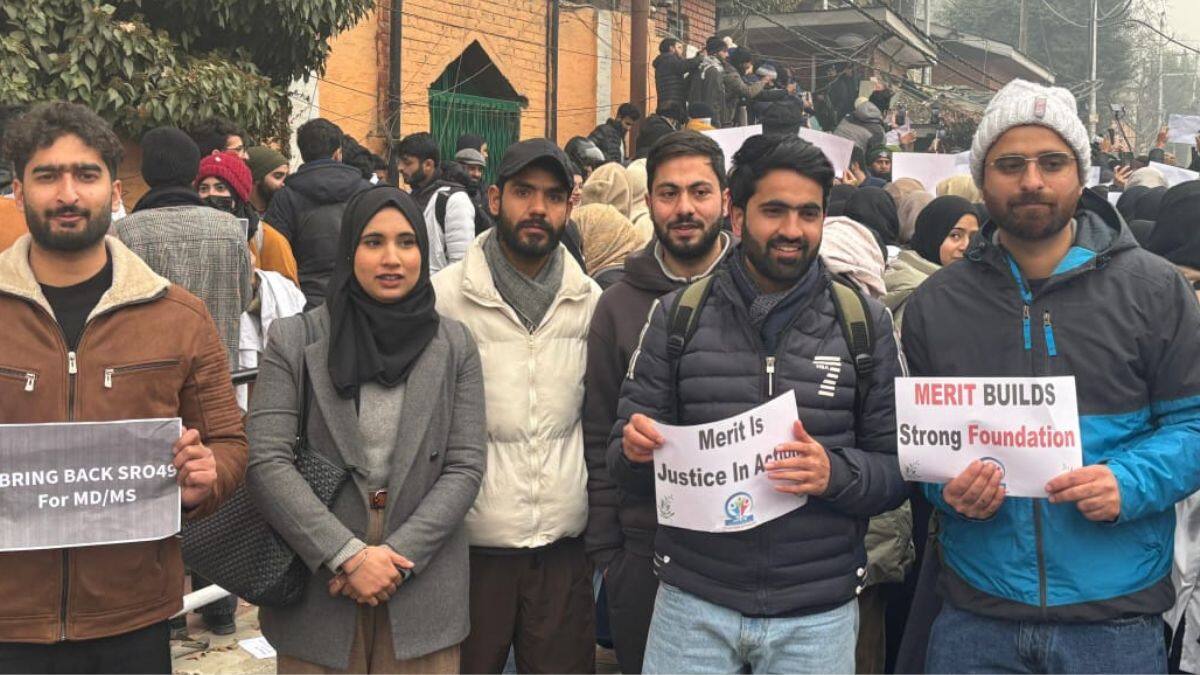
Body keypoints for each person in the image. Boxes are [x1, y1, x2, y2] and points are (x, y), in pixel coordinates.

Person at [902, 79, 1200, 674]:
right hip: (975, 617)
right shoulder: (936, 304)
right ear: (984, 178)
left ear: (1080, 174)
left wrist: (1129, 481)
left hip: (1115, 622)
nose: (1032, 180)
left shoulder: (1154, 287)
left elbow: (1193, 422)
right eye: (1010, 164)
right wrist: (949, 492)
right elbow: (921, 446)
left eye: (1052, 162)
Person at [608, 133, 907, 673]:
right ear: (738, 216)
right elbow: (622, 464)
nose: (792, 230)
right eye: (774, 211)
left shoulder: (865, 325)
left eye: (808, 213)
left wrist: (834, 473)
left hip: (816, 615)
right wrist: (633, 451)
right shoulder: (678, 317)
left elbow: (898, 471)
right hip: (692, 605)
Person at [0, 100, 246, 672]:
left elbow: (231, 443)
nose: (67, 194)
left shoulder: (179, 317)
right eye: (47, 176)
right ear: (17, 190)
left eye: (86, 175)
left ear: (114, 191)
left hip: (131, 619)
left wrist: (205, 478)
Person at [246, 185, 486, 673]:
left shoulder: (454, 344)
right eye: (373, 242)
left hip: (422, 581)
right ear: (349, 248)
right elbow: (266, 460)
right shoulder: (296, 340)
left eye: (406, 242)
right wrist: (348, 557)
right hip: (321, 582)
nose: (391, 258)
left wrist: (396, 557)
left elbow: (464, 466)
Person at [432, 139, 601, 673]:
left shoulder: (590, 301)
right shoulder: (443, 300)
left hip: (562, 551)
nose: (538, 209)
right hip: (470, 553)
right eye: (524, 192)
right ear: (493, 197)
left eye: (553, 196)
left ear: (569, 206)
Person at [583, 130, 734, 673]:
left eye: (700, 191)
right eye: (669, 193)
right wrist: (612, 555)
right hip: (645, 555)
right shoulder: (616, 305)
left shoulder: (763, 293)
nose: (685, 208)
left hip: (745, 550)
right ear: (649, 203)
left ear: (726, 201)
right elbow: (597, 430)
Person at [115, 127, 253, 368]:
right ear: (193, 173)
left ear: (146, 173)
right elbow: (243, 300)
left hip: (148, 376)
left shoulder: (125, 233)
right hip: (218, 372)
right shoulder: (230, 229)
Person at [264, 118, 372, 308]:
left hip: (304, 301)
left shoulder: (286, 197)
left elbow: (275, 251)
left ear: (302, 154)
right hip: (361, 296)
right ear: (338, 153)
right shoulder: (365, 191)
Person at [196, 151, 300, 286]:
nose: (211, 194)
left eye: (220, 188)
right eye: (203, 188)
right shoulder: (187, 234)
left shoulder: (268, 238)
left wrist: (254, 282)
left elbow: (290, 294)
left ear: (237, 194)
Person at [884, 195, 979, 330]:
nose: (966, 246)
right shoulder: (922, 295)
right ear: (933, 235)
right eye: (955, 235)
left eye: (973, 237)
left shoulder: (952, 282)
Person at [395, 132, 476, 275]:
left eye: (407, 162)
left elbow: (461, 265)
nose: (400, 168)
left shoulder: (454, 201)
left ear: (428, 165)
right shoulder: (410, 197)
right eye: (399, 162)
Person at [722, 49, 771, 128]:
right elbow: (748, 92)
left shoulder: (736, 74)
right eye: (748, 62)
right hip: (724, 117)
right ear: (742, 62)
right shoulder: (732, 75)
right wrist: (763, 82)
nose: (749, 65)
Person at [687, 37, 728, 129]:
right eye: (724, 51)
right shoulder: (713, 70)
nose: (727, 54)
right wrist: (716, 122)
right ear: (716, 52)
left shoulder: (700, 67)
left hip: (695, 118)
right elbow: (712, 98)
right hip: (708, 121)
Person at [454, 147, 495, 235]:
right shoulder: (451, 191)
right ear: (459, 168)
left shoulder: (483, 193)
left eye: (479, 170)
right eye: (472, 168)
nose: (476, 174)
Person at [654, 39, 703, 111]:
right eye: (679, 47)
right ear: (672, 48)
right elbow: (683, 65)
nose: (681, 51)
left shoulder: (664, 61)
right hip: (671, 104)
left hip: (669, 102)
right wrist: (700, 58)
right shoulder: (668, 59)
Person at [246, 145, 290, 216]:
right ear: (257, 178)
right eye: (278, 176)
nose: (283, 183)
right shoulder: (236, 214)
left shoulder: (285, 214)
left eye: (286, 177)